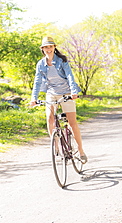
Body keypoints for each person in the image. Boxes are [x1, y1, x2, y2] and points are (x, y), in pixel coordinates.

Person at [30, 36, 87, 164]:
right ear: (42, 49)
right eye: (46, 47)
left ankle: (81, 150)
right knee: (50, 118)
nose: (48, 49)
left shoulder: (62, 60)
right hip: (51, 93)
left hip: (66, 92)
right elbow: (37, 82)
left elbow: (70, 76)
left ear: (54, 47)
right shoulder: (40, 64)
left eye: (50, 46)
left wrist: (73, 92)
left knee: (72, 122)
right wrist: (34, 98)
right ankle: (55, 145)